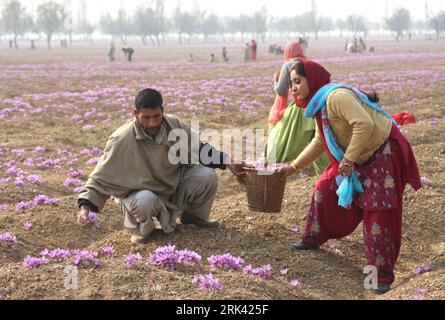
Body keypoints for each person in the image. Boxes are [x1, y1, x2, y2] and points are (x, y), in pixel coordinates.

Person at [278, 60, 421, 295]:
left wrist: (348, 160)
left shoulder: (335, 97)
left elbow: (363, 124)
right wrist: (292, 168)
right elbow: (319, 141)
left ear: (311, 80)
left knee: (378, 215)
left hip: (382, 152)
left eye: (297, 81)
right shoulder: (319, 105)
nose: (292, 88)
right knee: (325, 187)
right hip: (358, 155)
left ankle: (379, 277)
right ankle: (313, 237)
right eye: (291, 83)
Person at [76, 88, 245, 244]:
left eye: (156, 116)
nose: (152, 123)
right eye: (146, 118)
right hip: (140, 196)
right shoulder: (121, 139)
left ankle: (194, 217)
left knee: (206, 175)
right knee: (145, 200)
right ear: (135, 114)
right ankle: (143, 229)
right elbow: (99, 179)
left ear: (163, 111)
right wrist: (85, 210)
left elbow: (199, 150)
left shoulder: (174, 126)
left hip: (171, 190)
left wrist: (228, 161)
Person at [267, 42, 329, 175]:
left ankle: (271, 165)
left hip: (301, 109)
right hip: (315, 106)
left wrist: (275, 81)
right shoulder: (306, 63)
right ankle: (327, 173)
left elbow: (280, 90)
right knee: (321, 141)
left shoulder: (288, 65)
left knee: (285, 139)